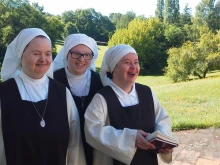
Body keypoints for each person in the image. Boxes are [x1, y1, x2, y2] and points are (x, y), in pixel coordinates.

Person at [0, 28, 86, 165]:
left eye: (47, 54)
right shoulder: (4, 93)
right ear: (21, 55)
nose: (43, 59)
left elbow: (74, 144)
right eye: (36, 53)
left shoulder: (62, 93)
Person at [84, 44, 174, 165]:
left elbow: (162, 119)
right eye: (127, 62)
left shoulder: (147, 92)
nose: (133, 67)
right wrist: (130, 138)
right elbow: (92, 130)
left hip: (148, 160)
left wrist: (163, 141)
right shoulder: (102, 98)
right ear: (114, 67)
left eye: (136, 62)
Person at [53, 33, 103, 165]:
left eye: (87, 55)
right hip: (64, 146)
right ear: (67, 54)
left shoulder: (99, 80)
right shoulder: (53, 80)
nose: (82, 59)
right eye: (76, 53)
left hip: (94, 143)